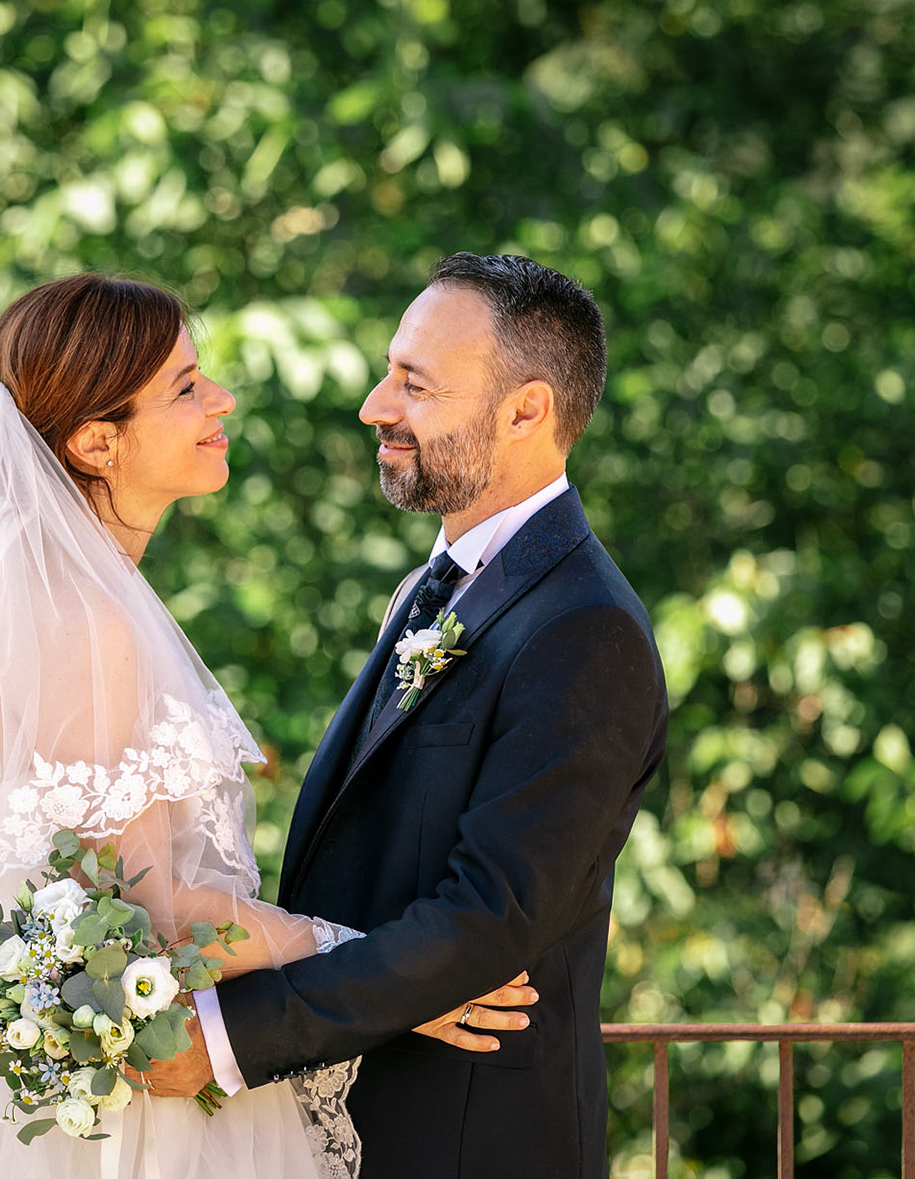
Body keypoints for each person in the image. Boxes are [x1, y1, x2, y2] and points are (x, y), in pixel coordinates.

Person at [0, 274, 523, 1179]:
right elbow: (155, 910)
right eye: (184, 388)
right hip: (115, 1123)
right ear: (98, 442)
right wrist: (382, 973)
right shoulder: (80, 621)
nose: (222, 399)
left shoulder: (30, 597)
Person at [150, 254, 670, 1179]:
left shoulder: (584, 628)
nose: (374, 407)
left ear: (526, 411)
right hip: (354, 1120)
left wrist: (228, 1037)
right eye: (390, 372)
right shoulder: (432, 589)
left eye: (415, 386)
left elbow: (489, 917)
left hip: (466, 1140)